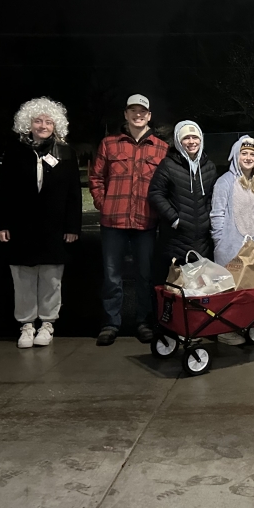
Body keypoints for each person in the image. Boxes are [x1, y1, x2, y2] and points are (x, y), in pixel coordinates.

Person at [0, 97, 82, 349]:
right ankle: (26, 325)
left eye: (48, 122)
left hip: (54, 228)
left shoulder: (66, 152)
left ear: (56, 126)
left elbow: (74, 193)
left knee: (51, 278)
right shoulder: (15, 151)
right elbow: (4, 191)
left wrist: (72, 227)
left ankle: (47, 324)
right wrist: (1, 224)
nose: (43, 125)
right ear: (28, 123)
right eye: (38, 121)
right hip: (22, 227)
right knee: (23, 277)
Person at [89, 94, 169, 347]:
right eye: (133, 110)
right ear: (125, 114)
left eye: (142, 111)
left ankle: (143, 322)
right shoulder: (109, 144)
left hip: (146, 222)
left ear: (149, 115)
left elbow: (166, 185)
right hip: (113, 222)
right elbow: (96, 178)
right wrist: (104, 204)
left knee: (145, 275)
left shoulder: (161, 147)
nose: (138, 115)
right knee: (112, 276)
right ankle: (111, 323)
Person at [211, 136, 254, 345]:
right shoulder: (225, 182)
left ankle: (251, 326)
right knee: (231, 290)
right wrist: (220, 240)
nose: (248, 157)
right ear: (236, 155)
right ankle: (226, 330)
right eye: (244, 153)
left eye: (252, 154)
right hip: (230, 246)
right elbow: (217, 214)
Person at [148, 120, 218, 266]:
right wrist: (174, 219)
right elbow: (155, 193)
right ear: (178, 141)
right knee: (177, 284)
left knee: (201, 283)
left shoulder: (209, 167)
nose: (191, 142)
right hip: (176, 238)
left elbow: (213, 197)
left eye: (195, 137)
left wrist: (208, 220)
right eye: (186, 138)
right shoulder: (168, 165)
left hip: (202, 239)